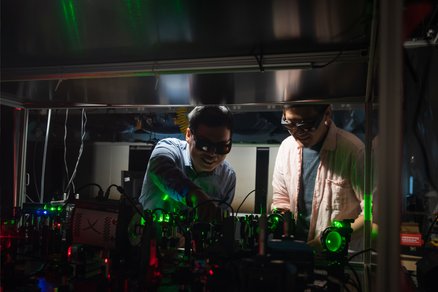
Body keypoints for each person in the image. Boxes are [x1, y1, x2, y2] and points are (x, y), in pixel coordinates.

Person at [271, 104, 365, 250]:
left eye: (307, 125)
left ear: (327, 114)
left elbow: (373, 214)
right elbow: (281, 199)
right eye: (290, 124)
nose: (297, 132)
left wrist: (332, 239)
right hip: (296, 253)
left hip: (337, 256)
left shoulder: (354, 151)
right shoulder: (286, 148)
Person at [138, 106, 236, 221]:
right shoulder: (168, 148)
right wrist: (195, 196)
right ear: (189, 135)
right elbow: (161, 169)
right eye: (204, 145)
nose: (212, 154)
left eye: (222, 147)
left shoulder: (228, 177)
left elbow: (220, 223)